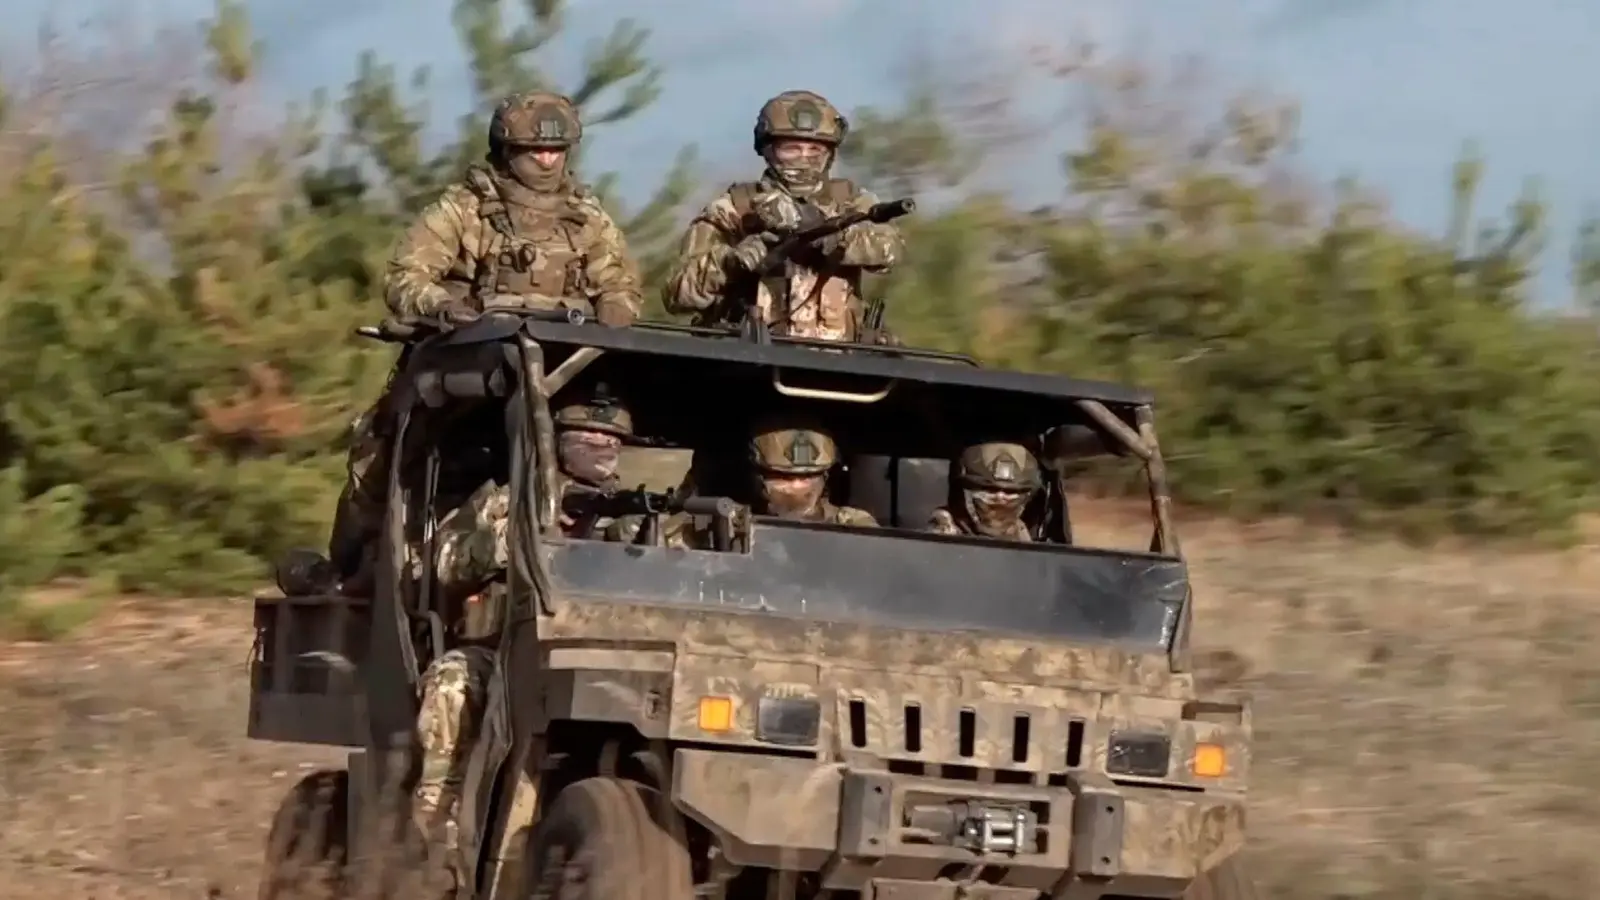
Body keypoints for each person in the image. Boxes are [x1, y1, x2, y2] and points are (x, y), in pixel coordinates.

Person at [330, 91, 642, 590]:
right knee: (379, 451)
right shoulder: (463, 209)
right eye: (533, 151)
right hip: (465, 364)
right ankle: (352, 573)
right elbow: (405, 278)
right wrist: (443, 307)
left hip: (560, 369)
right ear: (505, 150)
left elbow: (621, 286)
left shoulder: (587, 219)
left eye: (556, 151)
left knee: (592, 452)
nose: (546, 160)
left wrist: (617, 307)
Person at [408, 392, 634, 878]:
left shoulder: (632, 516)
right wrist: (522, 537)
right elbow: (444, 563)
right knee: (454, 683)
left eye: (610, 440)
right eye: (585, 438)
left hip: (594, 659)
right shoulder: (509, 500)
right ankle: (437, 835)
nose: (599, 446)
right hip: (503, 651)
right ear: (559, 443)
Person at [661, 90, 904, 343]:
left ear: (829, 154)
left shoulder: (851, 201)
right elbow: (676, 294)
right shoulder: (736, 207)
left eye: (815, 150)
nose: (804, 159)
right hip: (748, 361)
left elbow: (891, 249)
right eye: (792, 149)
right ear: (768, 149)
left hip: (839, 361)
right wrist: (729, 263)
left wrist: (831, 236)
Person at [607, 415, 877, 547]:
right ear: (758, 477)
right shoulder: (725, 520)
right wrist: (641, 529)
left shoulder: (854, 526)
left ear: (825, 477)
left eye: (807, 478)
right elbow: (633, 535)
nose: (796, 487)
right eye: (782, 477)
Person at [926, 442, 1042, 541]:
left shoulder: (1020, 531)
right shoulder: (944, 531)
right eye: (990, 490)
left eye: (1010, 491)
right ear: (965, 491)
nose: (1000, 497)